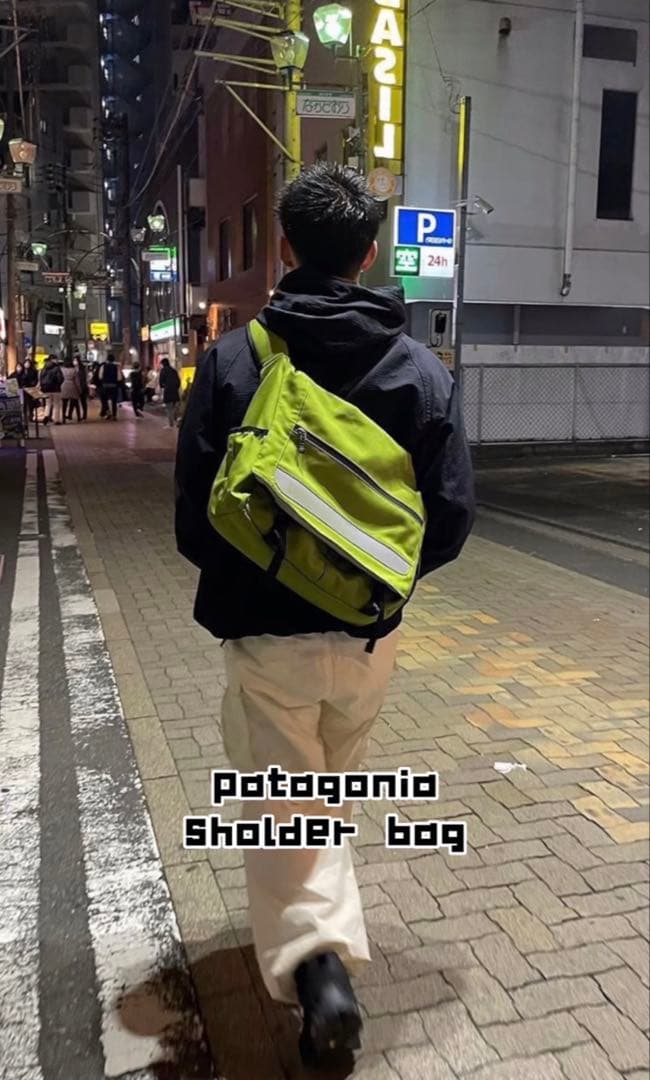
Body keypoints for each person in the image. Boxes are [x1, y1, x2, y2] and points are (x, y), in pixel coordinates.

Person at [175, 163, 475, 1068]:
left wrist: (270, 571)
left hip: (266, 635)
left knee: (288, 807)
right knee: (321, 797)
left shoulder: (237, 360)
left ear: (283, 247)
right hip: (368, 639)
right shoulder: (421, 370)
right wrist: (369, 586)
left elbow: (195, 520)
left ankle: (321, 971)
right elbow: (450, 518)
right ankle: (322, 951)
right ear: (370, 253)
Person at [40, 354, 64, 425]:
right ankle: (56, 419)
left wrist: (43, 386)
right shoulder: (57, 368)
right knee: (56, 404)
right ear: (53, 359)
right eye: (56, 359)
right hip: (55, 389)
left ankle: (46, 416)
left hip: (46, 389)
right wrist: (58, 384)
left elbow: (41, 378)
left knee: (48, 404)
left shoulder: (44, 367)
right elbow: (60, 378)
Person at [158, 357, 181, 427]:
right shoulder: (174, 370)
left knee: (169, 408)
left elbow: (161, 381)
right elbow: (178, 381)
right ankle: (175, 419)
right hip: (175, 390)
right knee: (175, 406)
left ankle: (171, 424)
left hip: (167, 390)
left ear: (163, 364)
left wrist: (163, 386)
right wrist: (176, 387)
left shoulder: (163, 370)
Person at [99, 353, 121, 420]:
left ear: (107, 359)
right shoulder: (116, 367)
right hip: (114, 386)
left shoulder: (103, 366)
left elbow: (100, 377)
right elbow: (119, 378)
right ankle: (114, 415)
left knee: (104, 400)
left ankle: (108, 412)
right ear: (113, 360)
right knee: (114, 401)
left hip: (105, 386)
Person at [61, 358, 82, 422]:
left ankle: (63, 418)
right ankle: (79, 417)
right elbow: (77, 381)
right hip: (73, 386)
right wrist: (79, 390)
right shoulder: (74, 370)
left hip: (64, 386)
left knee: (64, 404)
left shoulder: (62, 370)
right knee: (76, 403)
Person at [74, 355, 89, 421]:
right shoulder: (77, 368)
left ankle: (84, 415)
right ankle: (80, 416)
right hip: (79, 386)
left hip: (82, 387)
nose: (74, 362)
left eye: (75, 360)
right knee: (77, 402)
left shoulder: (81, 369)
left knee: (82, 402)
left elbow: (83, 379)